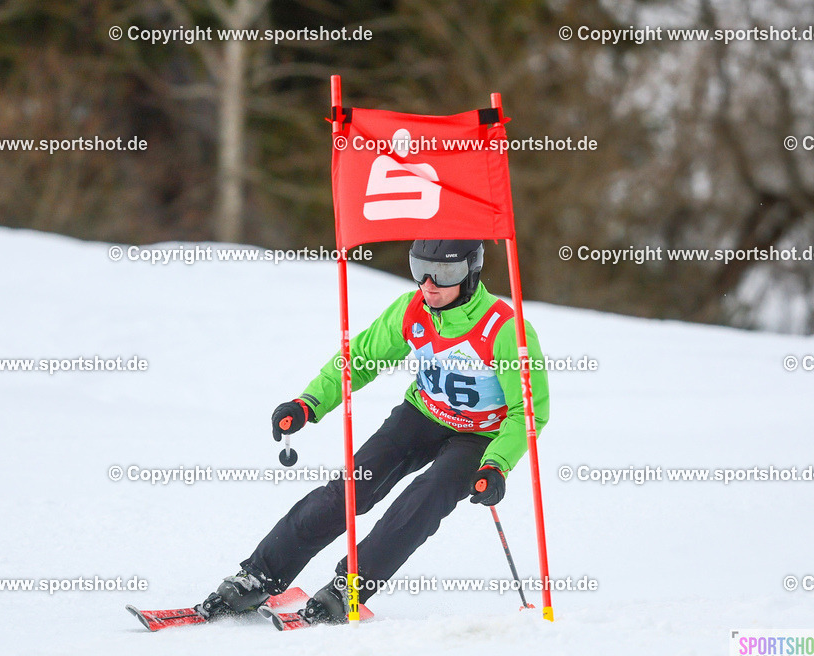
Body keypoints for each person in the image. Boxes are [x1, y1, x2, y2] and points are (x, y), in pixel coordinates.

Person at [196, 239, 550, 624]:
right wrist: (309, 403)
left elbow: (528, 412)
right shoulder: (412, 310)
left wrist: (497, 464)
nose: (429, 284)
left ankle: (351, 585)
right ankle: (260, 573)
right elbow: (359, 360)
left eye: (444, 273)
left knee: (423, 500)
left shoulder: (505, 330)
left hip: (480, 434)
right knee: (348, 489)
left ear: (471, 274)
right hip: (422, 415)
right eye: (419, 269)